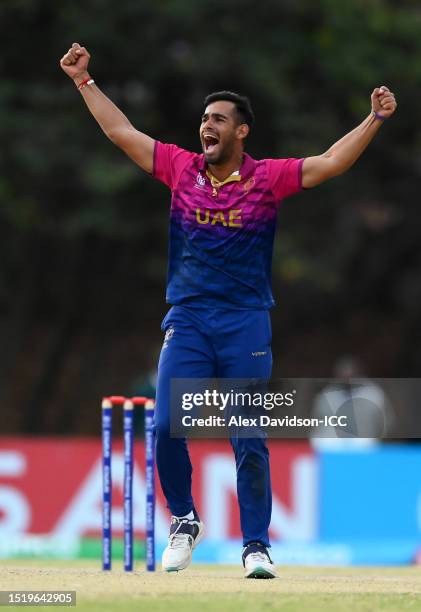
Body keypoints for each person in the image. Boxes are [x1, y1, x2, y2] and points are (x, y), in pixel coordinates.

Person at [60, 42, 397, 578]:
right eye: (203, 119)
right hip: (189, 318)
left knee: (248, 435)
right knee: (168, 421)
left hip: (245, 322)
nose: (206, 126)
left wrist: (374, 118)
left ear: (241, 131)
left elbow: (331, 163)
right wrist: (84, 82)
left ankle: (256, 547)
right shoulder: (180, 168)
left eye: (218, 119)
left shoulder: (268, 179)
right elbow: (121, 133)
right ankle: (186, 520)